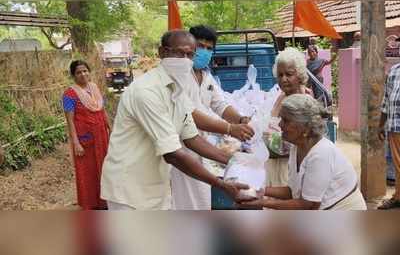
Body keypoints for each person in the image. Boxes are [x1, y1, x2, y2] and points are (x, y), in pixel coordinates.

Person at [101, 30, 248, 210]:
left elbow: (192, 138)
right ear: (162, 53)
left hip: (155, 185)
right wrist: (222, 184)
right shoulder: (147, 91)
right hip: (129, 189)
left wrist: (235, 161)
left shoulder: (177, 91)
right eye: (179, 53)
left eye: (189, 55)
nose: (185, 60)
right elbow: (172, 154)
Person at [170, 25, 254, 210]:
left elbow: (221, 105)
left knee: (200, 199)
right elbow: (190, 114)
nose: (205, 52)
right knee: (184, 201)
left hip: (200, 145)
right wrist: (230, 129)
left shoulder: (206, 77)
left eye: (209, 48)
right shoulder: (179, 77)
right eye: (200, 46)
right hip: (179, 147)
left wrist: (241, 120)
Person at [239, 94, 367, 210]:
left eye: (286, 121)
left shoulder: (320, 155)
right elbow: (292, 191)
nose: (280, 125)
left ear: (305, 128)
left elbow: (308, 205)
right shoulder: (297, 147)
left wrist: (262, 202)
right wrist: (259, 191)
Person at [63, 60, 111, 210]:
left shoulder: (94, 88)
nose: (83, 74)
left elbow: (102, 111)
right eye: (78, 72)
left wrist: (111, 129)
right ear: (73, 75)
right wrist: (76, 143)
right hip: (85, 140)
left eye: (85, 71)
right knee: (88, 172)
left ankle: (105, 201)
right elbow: (70, 120)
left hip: (102, 136)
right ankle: (90, 203)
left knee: (105, 168)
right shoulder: (69, 94)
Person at [266, 47, 312, 187]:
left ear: (299, 75)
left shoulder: (305, 101)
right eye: (280, 75)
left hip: (291, 168)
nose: (284, 79)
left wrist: (269, 140)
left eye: (289, 74)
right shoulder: (281, 97)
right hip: (275, 167)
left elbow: (304, 141)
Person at [378, 63, 400, 209]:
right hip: (395, 127)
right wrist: (381, 125)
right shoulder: (394, 70)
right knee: (398, 166)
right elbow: (386, 100)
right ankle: (398, 197)